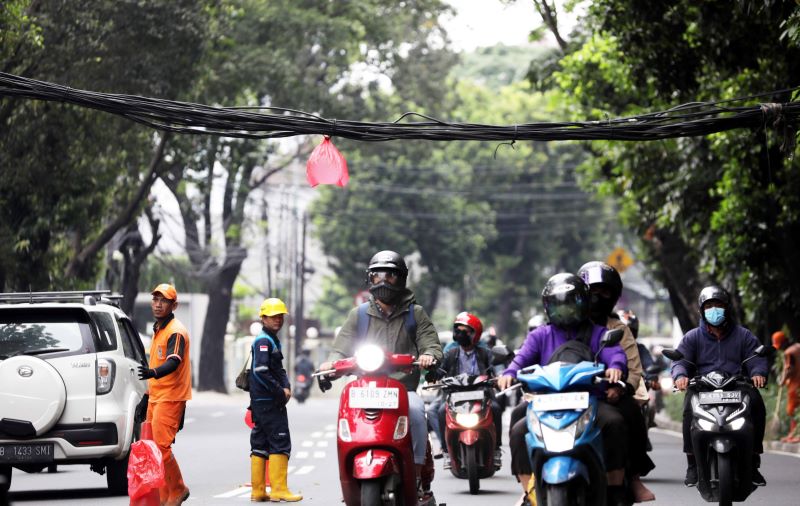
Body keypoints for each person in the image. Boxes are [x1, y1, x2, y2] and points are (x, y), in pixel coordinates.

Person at [497, 273, 630, 506]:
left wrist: (616, 368)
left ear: (584, 304)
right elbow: (521, 360)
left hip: (588, 402)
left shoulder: (598, 333)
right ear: (548, 308)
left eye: (571, 304)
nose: (565, 310)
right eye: (558, 305)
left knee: (616, 422)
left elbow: (615, 354)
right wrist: (509, 374)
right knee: (518, 431)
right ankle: (529, 492)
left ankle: (614, 487)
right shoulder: (540, 335)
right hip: (546, 403)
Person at [319, 250, 443, 500]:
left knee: (418, 411)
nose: (384, 282)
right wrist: (330, 364)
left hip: (402, 390)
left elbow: (430, 343)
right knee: (346, 420)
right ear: (369, 279)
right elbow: (340, 348)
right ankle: (349, 473)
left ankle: (417, 472)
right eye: (377, 276)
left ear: (402, 279)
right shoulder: (359, 314)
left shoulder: (415, 313)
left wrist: (429, 355)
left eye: (391, 276)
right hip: (365, 391)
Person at [671, 285, 768, 487]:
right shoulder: (692, 337)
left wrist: (758, 373)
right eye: (709, 306)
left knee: (757, 403)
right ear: (701, 310)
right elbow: (680, 361)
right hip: (703, 387)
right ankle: (692, 464)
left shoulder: (743, 335)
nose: (714, 309)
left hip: (737, 386)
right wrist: (680, 376)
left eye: (718, 305)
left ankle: (753, 459)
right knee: (689, 408)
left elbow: (756, 358)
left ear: (727, 307)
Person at [578, 261, 656, 502]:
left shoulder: (618, 329)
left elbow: (634, 369)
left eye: (605, 292)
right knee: (521, 418)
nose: (598, 298)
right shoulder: (566, 325)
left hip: (606, 396)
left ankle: (632, 477)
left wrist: (620, 388)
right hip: (565, 396)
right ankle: (529, 485)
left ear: (614, 297)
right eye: (593, 291)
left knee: (631, 414)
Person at [137, 283, 192, 506]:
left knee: (161, 446)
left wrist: (153, 373)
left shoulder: (175, 331)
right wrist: (146, 396)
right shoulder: (159, 328)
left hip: (171, 396)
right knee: (153, 448)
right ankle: (163, 496)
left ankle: (178, 489)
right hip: (157, 396)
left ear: (174, 305)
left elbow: (173, 361)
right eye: (155, 300)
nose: (158, 304)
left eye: (164, 301)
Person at [247, 297, 302, 502]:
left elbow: (277, 369)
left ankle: (258, 491)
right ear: (263, 318)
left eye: (280, 316)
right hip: (268, 401)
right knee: (280, 441)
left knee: (260, 443)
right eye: (272, 316)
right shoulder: (263, 341)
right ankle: (279, 489)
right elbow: (261, 371)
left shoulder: (270, 339)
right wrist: (281, 392)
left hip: (262, 402)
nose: (277, 319)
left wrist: (286, 385)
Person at [435, 312, 503, 470]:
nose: (460, 334)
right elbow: (441, 369)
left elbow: (495, 368)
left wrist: (499, 377)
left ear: (475, 334)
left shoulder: (484, 352)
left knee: (496, 408)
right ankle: (446, 451)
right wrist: (434, 372)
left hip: (481, 392)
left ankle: (497, 450)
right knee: (439, 411)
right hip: (455, 394)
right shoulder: (451, 353)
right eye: (457, 331)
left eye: (465, 331)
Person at [773, 331, 800, 442]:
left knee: (792, 410)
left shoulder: (789, 352)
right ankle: (793, 434)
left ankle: (794, 435)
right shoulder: (798, 346)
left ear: (783, 343)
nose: (779, 349)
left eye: (779, 346)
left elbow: (790, 369)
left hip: (796, 384)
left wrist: (782, 381)